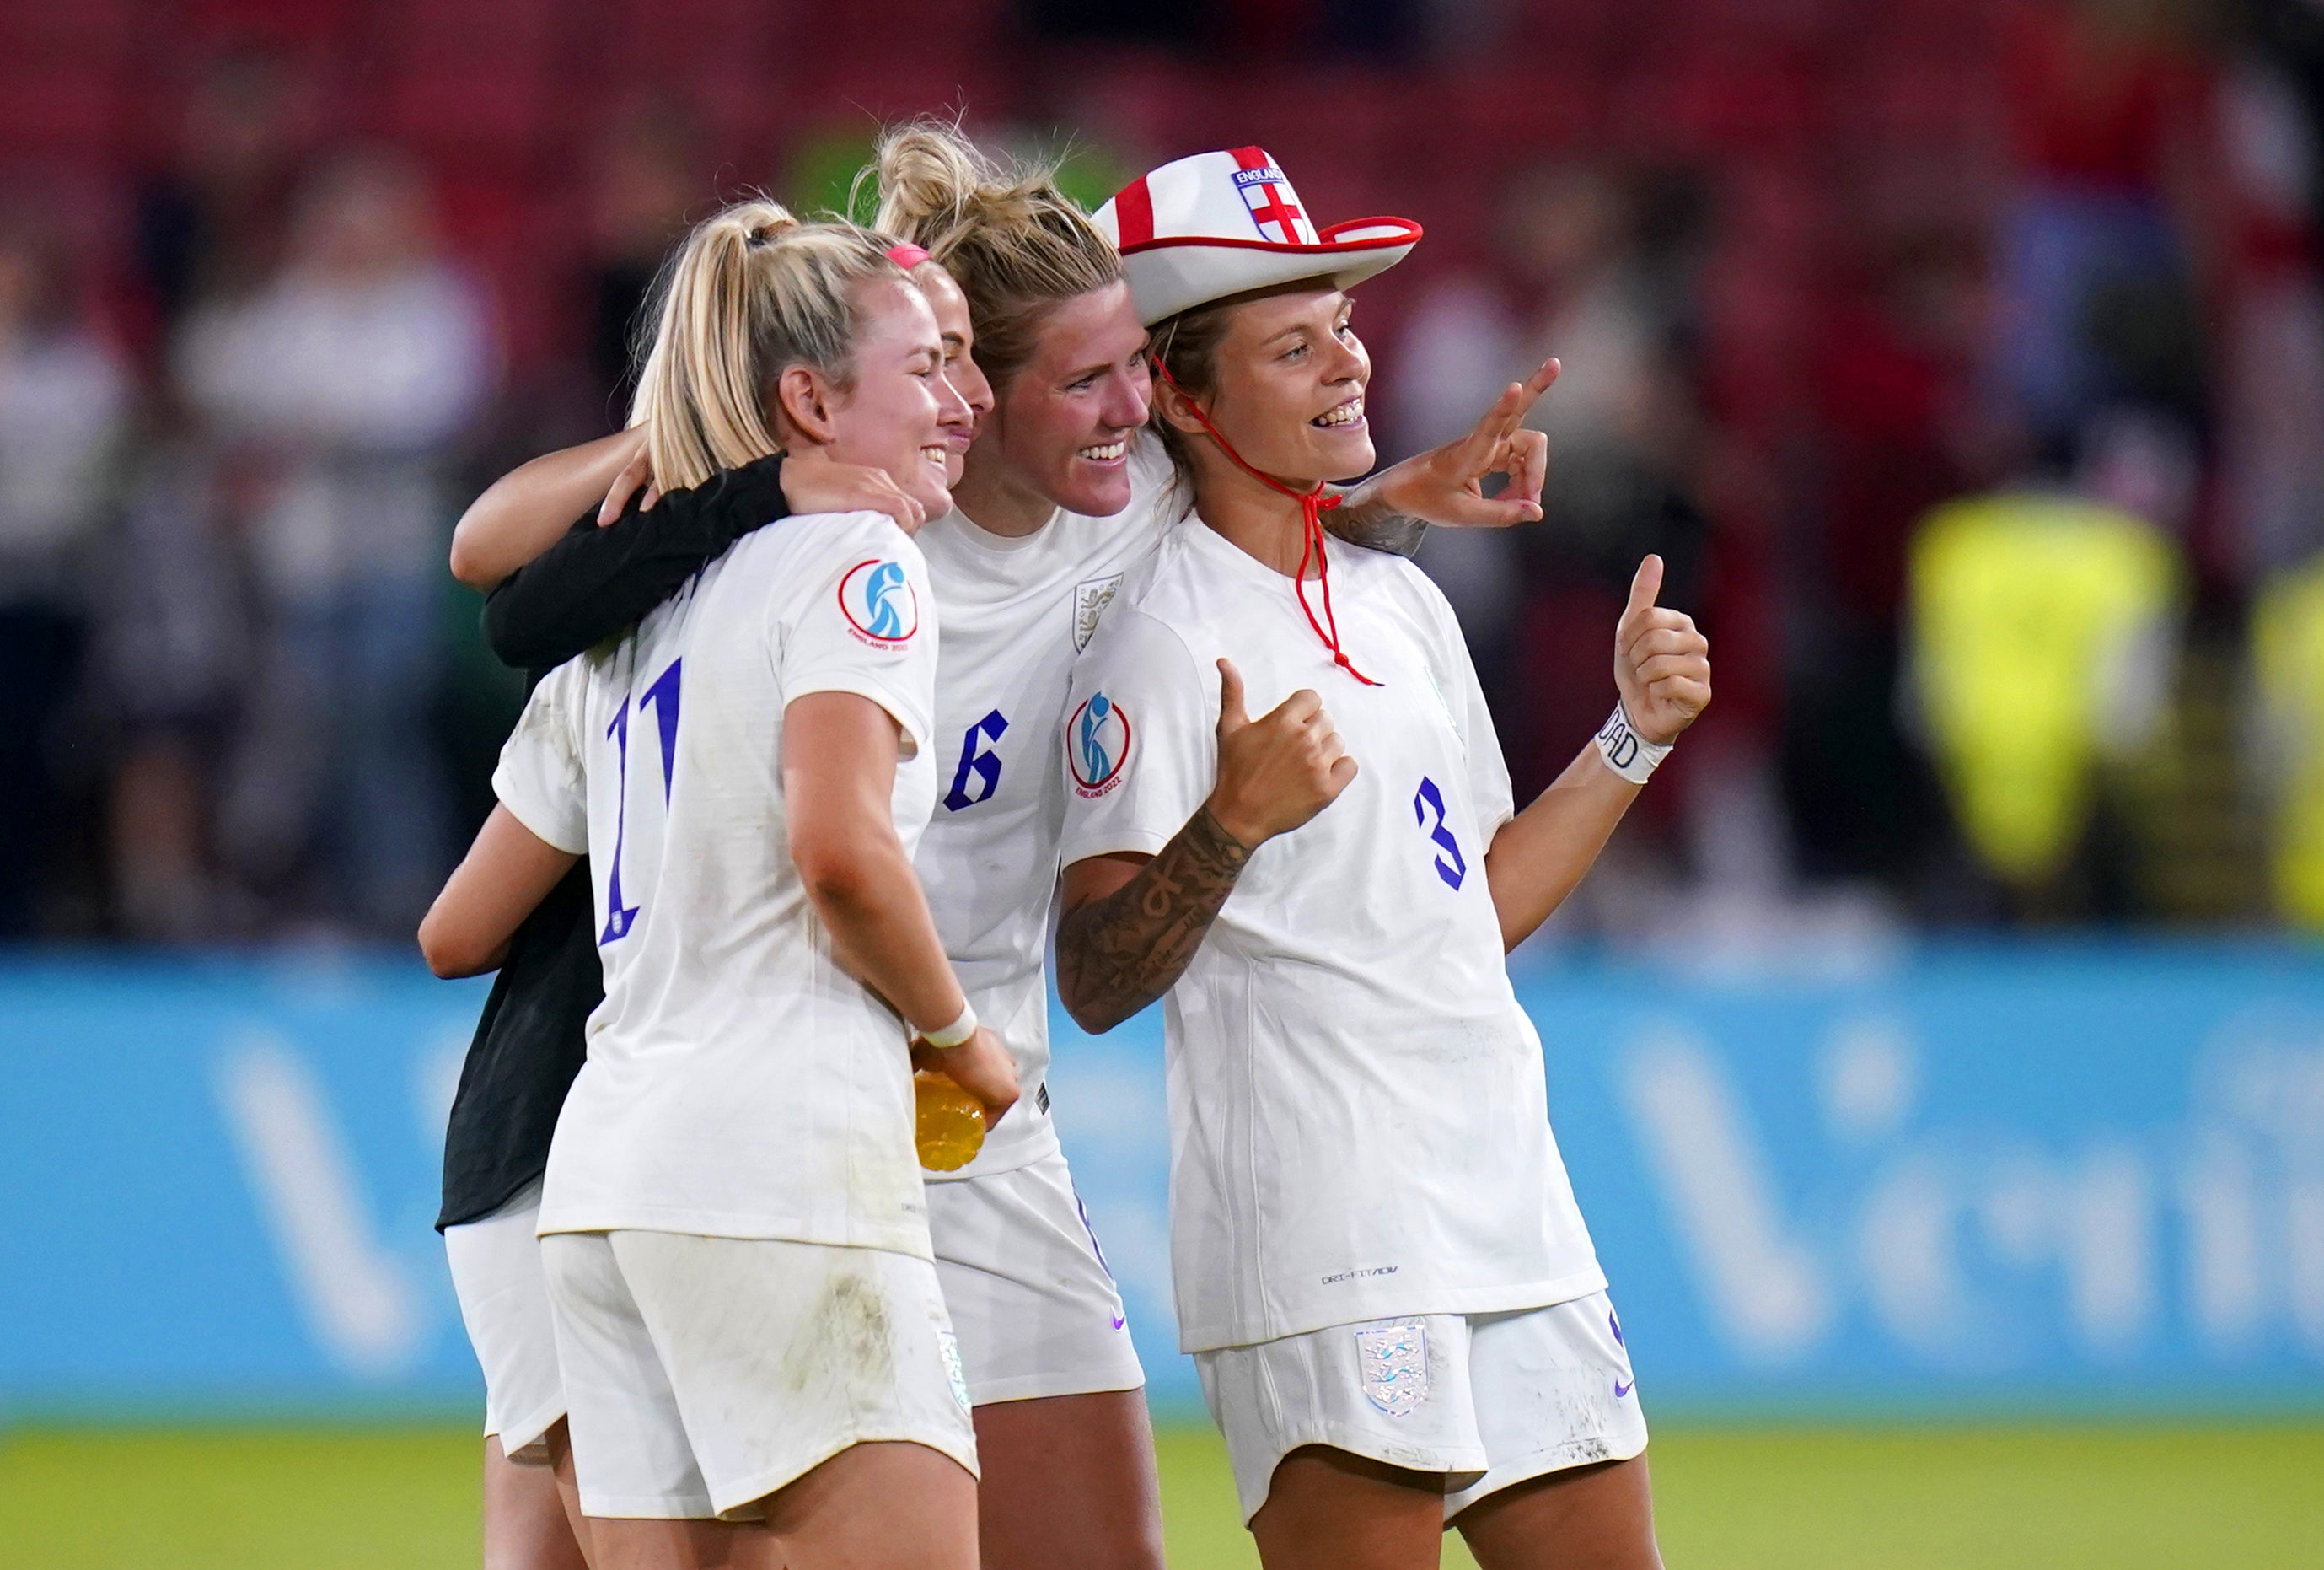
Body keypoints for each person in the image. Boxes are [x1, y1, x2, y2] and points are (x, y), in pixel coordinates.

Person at [448, 123, 1555, 1570]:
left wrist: (1385, 500)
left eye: (1136, 377)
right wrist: (710, 464)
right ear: (977, 385)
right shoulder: (824, 536)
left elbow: (1248, 499)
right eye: (1078, 382)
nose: (1128, 411)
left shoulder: (1130, 510)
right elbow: (496, 572)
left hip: (972, 1120)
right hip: (761, 1100)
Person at [1054, 148, 1713, 1570]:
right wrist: (1228, 823)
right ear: (1178, 394)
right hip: (1322, 1237)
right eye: (1290, 344)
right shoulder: (1155, 639)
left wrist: (1630, 739)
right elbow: (1094, 975)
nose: (1346, 363)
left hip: (1507, 1200)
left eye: (1342, 324)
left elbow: (1465, 911)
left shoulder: (1401, 597)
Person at [419, 200, 1013, 1570]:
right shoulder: (856, 559)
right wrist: (958, 1038)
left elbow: (456, 921)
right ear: (806, 398)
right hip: (778, 1156)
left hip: (602, 1171)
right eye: (924, 367)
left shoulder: (636, 601)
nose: (957, 400)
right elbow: (842, 852)